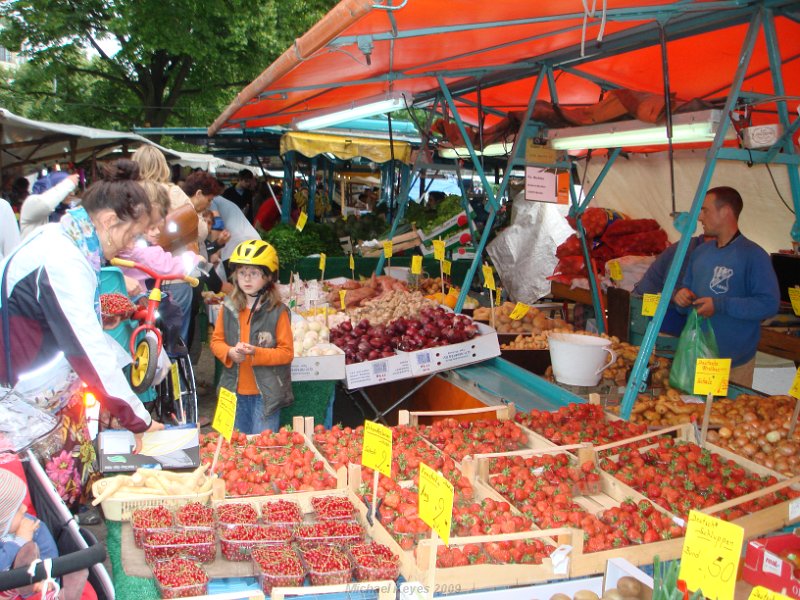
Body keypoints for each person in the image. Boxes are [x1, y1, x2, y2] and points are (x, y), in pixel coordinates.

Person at [0, 160, 163, 450]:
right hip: (22, 406)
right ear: (109, 221)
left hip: (33, 395)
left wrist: (97, 317)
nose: (129, 245)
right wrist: (139, 419)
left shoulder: (61, 237)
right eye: (130, 234)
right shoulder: (64, 258)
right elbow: (89, 351)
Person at [673, 186, 780, 387]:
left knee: (724, 417)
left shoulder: (754, 256)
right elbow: (684, 290)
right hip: (696, 360)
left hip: (734, 366)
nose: (700, 217)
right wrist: (681, 296)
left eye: (705, 210)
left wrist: (720, 305)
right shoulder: (700, 253)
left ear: (725, 212)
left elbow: (768, 304)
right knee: (694, 416)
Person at [209, 240, 293, 434]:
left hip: (265, 396)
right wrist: (229, 352)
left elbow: (286, 353)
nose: (246, 279)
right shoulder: (228, 307)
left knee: (261, 448)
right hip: (233, 391)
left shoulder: (278, 311)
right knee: (233, 446)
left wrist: (257, 353)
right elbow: (216, 342)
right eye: (241, 273)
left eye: (254, 273)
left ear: (268, 277)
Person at [633, 234, 711, 336]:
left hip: (660, 308)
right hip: (649, 309)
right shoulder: (689, 251)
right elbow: (674, 291)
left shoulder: (703, 251)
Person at [19, 172, 80, 239]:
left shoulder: (66, 210)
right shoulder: (31, 203)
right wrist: (68, 183)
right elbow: (46, 204)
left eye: (73, 190)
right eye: (68, 191)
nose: (72, 194)